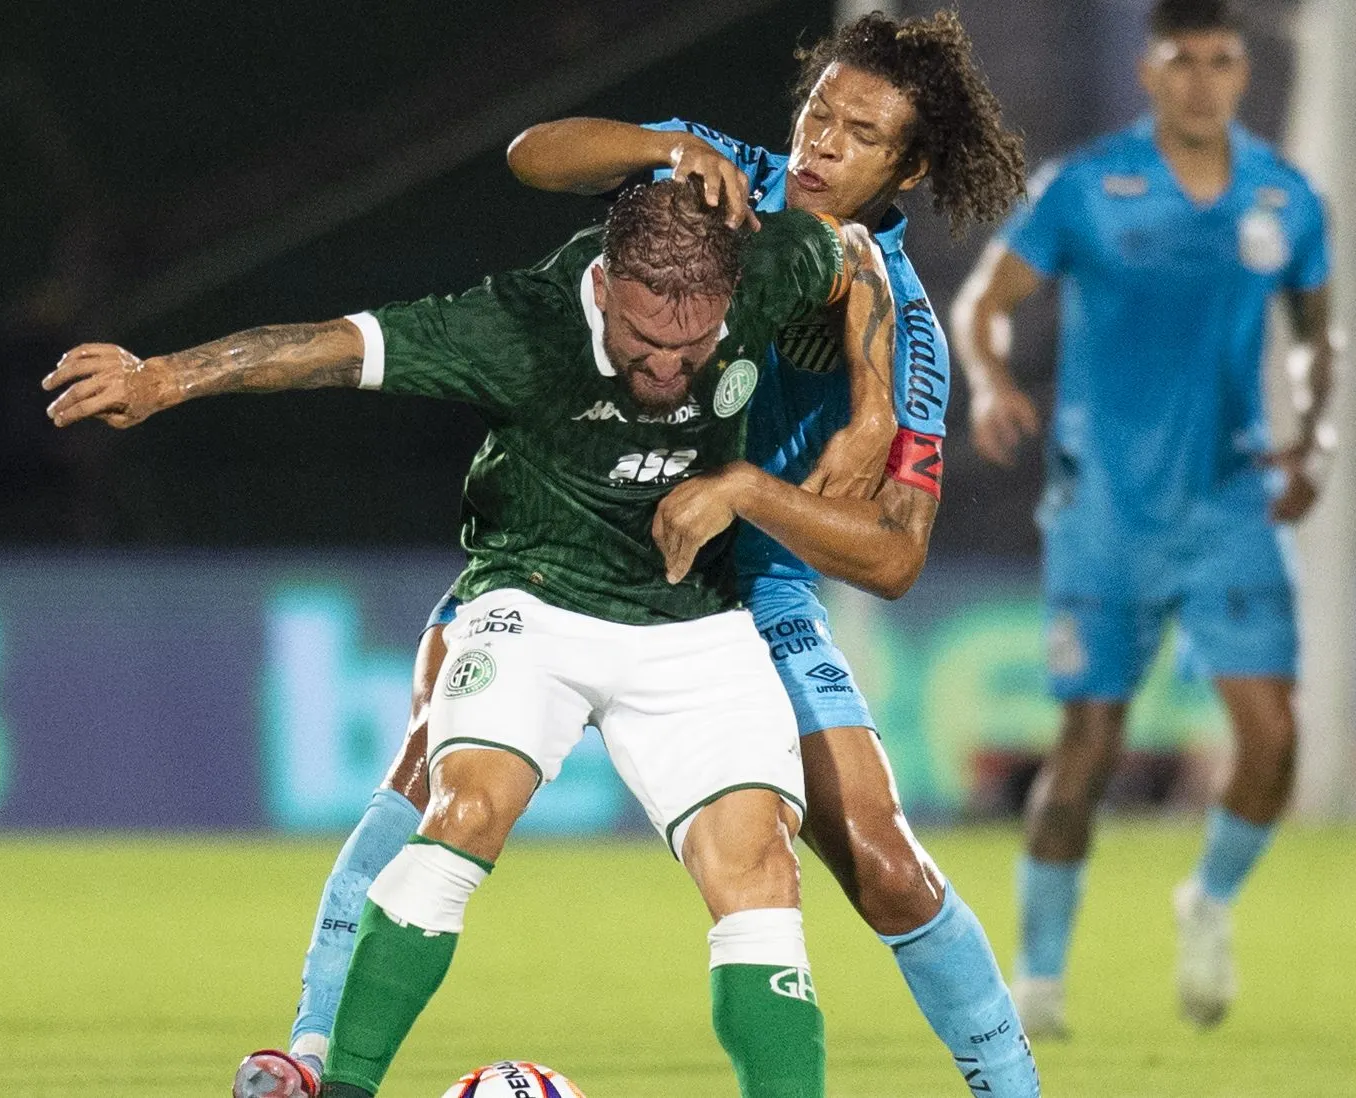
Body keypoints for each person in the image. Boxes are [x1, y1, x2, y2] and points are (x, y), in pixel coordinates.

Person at [239, 10, 1041, 1098]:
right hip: (580, 531)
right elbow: (535, 155)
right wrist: (658, 148)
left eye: (859, 133)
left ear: (911, 162)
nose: (820, 145)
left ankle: (1011, 1086)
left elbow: (892, 559)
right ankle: (314, 1056)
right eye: (817, 114)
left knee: (884, 867)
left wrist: (755, 490)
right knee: (435, 766)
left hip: (744, 585)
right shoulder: (718, 180)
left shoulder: (901, 330)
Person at [48, 179, 901, 1098]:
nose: (668, 369)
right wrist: (164, 377)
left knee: (763, 875)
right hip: (532, 599)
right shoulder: (516, 326)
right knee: (467, 812)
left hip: (692, 616)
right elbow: (332, 347)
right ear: (608, 286)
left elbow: (856, 255)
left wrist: (874, 407)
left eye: (694, 348)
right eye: (648, 343)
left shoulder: (763, 266)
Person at [950, 0, 1334, 1037]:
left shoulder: (1283, 197)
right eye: (1182, 62)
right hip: (1105, 514)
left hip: (1230, 506)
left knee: (1273, 738)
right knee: (1087, 743)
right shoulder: (1083, 191)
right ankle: (1035, 976)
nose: (1202, 80)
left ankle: (1205, 901)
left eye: (1220, 61)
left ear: (1240, 73)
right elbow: (981, 301)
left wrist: (1315, 435)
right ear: (1148, 74)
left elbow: (1310, 335)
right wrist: (987, 382)